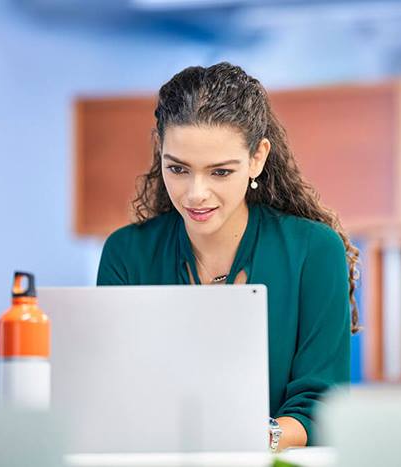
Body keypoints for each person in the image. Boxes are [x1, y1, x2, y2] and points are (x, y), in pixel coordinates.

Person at [97, 62, 360, 451]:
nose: (195, 194)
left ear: (257, 158)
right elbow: (109, 396)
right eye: (178, 169)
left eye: (219, 172)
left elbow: (321, 408)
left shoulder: (314, 251)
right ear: (161, 154)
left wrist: (253, 437)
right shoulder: (126, 253)